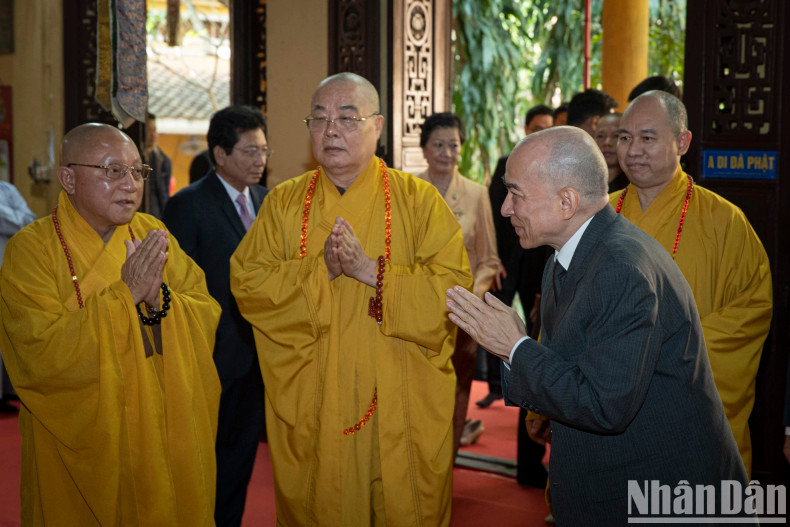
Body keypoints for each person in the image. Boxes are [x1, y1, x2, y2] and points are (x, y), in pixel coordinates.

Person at [445, 126, 748, 524]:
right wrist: (516, 352)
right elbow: (569, 367)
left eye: (516, 193)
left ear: (567, 202)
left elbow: (605, 405)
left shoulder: (622, 269)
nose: (505, 209)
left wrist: (516, 347)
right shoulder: (564, 257)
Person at [230, 73, 472, 525]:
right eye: (318, 118)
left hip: (398, 411)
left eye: (346, 117)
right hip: (312, 407)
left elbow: (452, 292)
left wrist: (369, 271)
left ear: (377, 126)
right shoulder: (283, 204)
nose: (330, 130)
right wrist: (316, 269)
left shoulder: (419, 202)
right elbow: (248, 283)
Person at [0, 123, 222, 525]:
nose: (130, 184)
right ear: (68, 178)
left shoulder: (153, 232)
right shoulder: (31, 251)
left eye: (138, 172)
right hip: (80, 440)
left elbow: (204, 309)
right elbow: (38, 352)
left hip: (160, 425)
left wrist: (158, 298)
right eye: (112, 171)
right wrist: (125, 296)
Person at [612, 91, 773, 474]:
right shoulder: (598, 213)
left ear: (681, 142)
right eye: (624, 137)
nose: (633, 150)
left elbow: (752, 311)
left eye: (647, 138)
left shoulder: (725, 222)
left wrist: (669, 352)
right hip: (608, 401)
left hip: (684, 405)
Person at [162, 105, 269, 527]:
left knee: (241, 463)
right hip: (208, 358)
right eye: (250, 151)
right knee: (203, 464)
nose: (260, 160)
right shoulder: (186, 205)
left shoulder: (267, 200)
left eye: (264, 150)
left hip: (258, 356)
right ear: (220, 154)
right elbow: (175, 285)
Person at [416, 112, 499, 454]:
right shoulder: (409, 190)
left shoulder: (477, 193)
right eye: (439, 145)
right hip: (417, 309)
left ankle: (446, 459)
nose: (447, 153)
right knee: (419, 387)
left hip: (462, 313)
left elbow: (489, 258)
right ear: (424, 149)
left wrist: (473, 294)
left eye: (453, 145)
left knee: (457, 387)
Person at [486, 105, 552, 488]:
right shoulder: (505, 163)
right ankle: (499, 386)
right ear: (525, 127)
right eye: (538, 127)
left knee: (533, 345)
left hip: (540, 270)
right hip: (510, 260)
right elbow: (498, 216)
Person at [0, 181, 36, 412]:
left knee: (9, 329)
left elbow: (28, 220)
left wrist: (3, 215)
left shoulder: (7, 189)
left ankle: (8, 392)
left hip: (7, 269)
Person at [144, 112, 172, 218]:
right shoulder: (133, 158)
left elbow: (165, 193)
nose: (152, 135)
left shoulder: (163, 160)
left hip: (157, 215)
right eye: (148, 130)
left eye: (154, 130)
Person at [593, 112, 629, 192]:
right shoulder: (583, 183)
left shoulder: (633, 187)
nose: (607, 143)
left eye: (616, 136)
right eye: (600, 136)